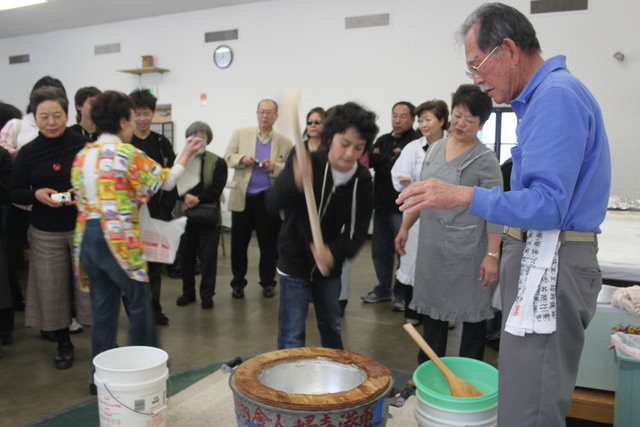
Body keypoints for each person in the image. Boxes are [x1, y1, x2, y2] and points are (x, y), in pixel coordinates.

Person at [397, 4, 611, 425]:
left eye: (477, 65)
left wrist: (462, 195)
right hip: (538, 258)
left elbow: (548, 205)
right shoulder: (544, 99)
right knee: (521, 392)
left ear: (509, 50)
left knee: (529, 407)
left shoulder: (555, 98)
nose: (477, 80)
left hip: (552, 259)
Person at [71, 90, 203, 394]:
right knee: (140, 303)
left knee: (103, 310)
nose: (134, 124)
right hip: (116, 238)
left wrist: (130, 198)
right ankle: (146, 372)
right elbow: (166, 181)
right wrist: (185, 154)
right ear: (122, 122)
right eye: (132, 119)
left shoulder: (83, 155)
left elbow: (94, 193)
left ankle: (98, 378)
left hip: (87, 237)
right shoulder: (126, 153)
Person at [396, 85, 502, 364]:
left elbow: (495, 212)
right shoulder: (435, 149)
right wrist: (405, 227)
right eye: (458, 116)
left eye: (470, 120)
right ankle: (428, 374)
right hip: (432, 246)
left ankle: (469, 377)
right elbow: (421, 194)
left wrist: (492, 256)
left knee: (473, 315)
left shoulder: (486, 160)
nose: (461, 124)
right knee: (433, 315)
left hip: (469, 251)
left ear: (482, 124)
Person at [266, 102, 378, 349]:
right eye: (344, 144)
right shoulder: (308, 162)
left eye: (358, 147)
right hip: (293, 258)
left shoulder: (362, 180)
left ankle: (335, 371)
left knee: (331, 325)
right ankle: (289, 373)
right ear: (331, 137)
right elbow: (272, 203)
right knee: (292, 332)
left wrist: (333, 253)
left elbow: (357, 233)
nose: (349, 154)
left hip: (329, 267)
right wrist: (294, 181)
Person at [10, 86, 91, 370]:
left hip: (82, 228)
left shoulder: (84, 146)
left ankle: (102, 342)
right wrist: (36, 194)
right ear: (35, 118)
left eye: (57, 115)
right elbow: (15, 191)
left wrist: (81, 192)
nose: (51, 122)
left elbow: (98, 180)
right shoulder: (28, 152)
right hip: (45, 230)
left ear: (67, 114)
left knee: (90, 287)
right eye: (44, 117)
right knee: (52, 289)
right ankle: (63, 344)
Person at [224, 99, 292, 299]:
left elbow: (290, 170)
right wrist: (242, 159)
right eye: (262, 111)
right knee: (238, 244)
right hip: (243, 197)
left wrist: (275, 167)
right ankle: (238, 283)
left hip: (269, 200)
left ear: (276, 116)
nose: (265, 116)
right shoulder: (240, 134)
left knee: (269, 246)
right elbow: (227, 157)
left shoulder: (285, 143)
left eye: (269, 112)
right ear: (256, 113)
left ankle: (268, 283)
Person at [391, 99, 448, 325]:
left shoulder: (452, 146)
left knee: (441, 263)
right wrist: (405, 181)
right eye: (421, 120)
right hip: (416, 213)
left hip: (444, 215)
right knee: (413, 259)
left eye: (428, 120)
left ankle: (443, 313)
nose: (423, 124)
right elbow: (397, 176)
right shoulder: (413, 147)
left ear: (441, 121)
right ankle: (413, 310)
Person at [362, 101, 420, 310]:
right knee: (380, 250)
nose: (398, 120)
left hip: (403, 209)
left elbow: (394, 169)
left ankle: (401, 294)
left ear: (412, 119)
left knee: (403, 251)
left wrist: (383, 161)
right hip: (381, 205)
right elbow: (369, 160)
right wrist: (388, 159)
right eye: (395, 115)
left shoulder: (415, 142)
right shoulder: (383, 139)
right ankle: (383, 288)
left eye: (403, 116)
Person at [128, 88, 176, 326]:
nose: (142, 119)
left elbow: (172, 178)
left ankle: (154, 309)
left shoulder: (161, 142)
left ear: (153, 113)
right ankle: (136, 313)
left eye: (146, 113)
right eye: (137, 114)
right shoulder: (125, 143)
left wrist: (165, 210)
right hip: (129, 217)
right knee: (132, 267)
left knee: (154, 265)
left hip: (156, 214)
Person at [175, 121, 228, 309]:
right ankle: (187, 293)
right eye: (194, 135)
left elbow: (217, 187)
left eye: (202, 136)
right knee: (186, 257)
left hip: (207, 217)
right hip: (184, 217)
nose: (198, 139)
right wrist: (184, 196)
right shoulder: (179, 160)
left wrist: (196, 198)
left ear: (208, 139)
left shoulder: (217, 161)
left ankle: (207, 295)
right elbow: (171, 183)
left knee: (208, 259)